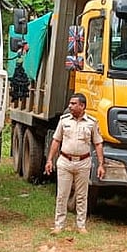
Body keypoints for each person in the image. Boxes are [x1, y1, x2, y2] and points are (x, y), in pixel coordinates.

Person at [44, 93, 105, 234]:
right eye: (70, 103)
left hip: (83, 162)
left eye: (73, 104)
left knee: (82, 195)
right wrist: (49, 160)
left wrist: (101, 164)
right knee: (62, 194)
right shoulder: (64, 120)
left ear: (82, 106)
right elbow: (56, 140)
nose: (70, 106)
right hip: (65, 161)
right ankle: (59, 225)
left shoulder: (91, 122)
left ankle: (81, 225)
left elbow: (98, 143)